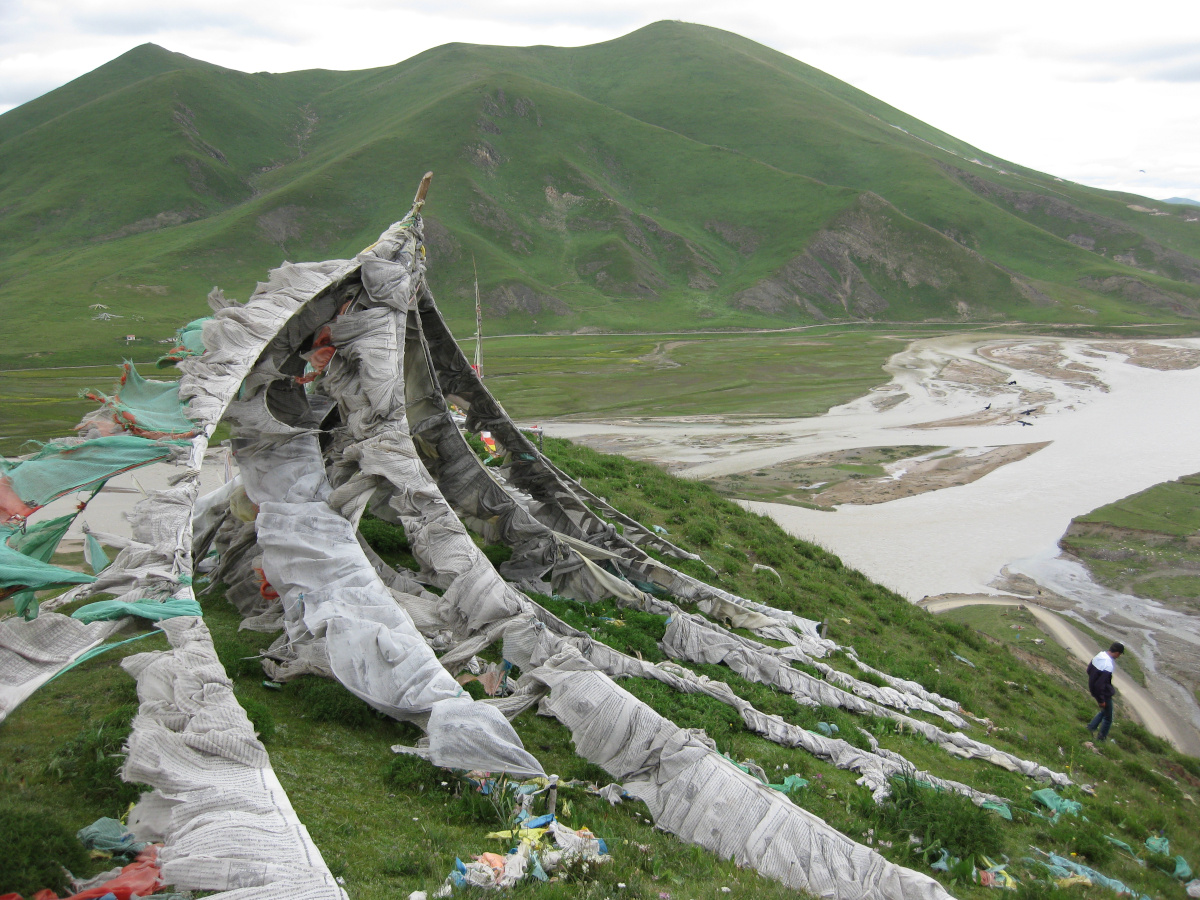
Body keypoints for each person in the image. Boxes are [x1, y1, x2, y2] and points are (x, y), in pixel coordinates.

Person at [1086, 642, 1124, 741]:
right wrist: (1101, 700)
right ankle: (1101, 738)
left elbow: (1089, 670)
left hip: (1094, 689)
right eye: (1119, 654)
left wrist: (1093, 680)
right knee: (1108, 718)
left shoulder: (1099, 655)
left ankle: (1091, 727)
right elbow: (1100, 684)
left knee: (1104, 712)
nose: (1119, 656)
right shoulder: (1108, 665)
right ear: (1117, 653)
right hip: (1104, 694)